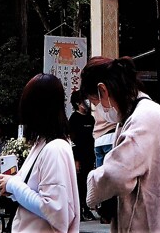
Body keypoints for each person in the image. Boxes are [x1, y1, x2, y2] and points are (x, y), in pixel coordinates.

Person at [80, 56, 160, 232]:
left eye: (95, 103)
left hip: (150, 224)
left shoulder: (143, 117)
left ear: (102, 90)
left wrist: (91, 184)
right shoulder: (137, 113)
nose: (98, 110)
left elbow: (116, 174)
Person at [0, 74, 80, 233]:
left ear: (36, 109)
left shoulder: (55, 149)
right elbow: (34, 195)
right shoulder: (43, 144)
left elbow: (55, 210)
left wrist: (13, 184)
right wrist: (12, 190)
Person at [68, 92, 96, 222]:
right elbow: (71, 141)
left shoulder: (91, 119)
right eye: (84, 100)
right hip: (79, 157)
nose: (87, 102)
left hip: (90, 156)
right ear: (77, 103)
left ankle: (87, 208)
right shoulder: (74, 119)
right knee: (79, 184)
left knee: (88, 183)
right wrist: (75, 159)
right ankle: (80, 209)